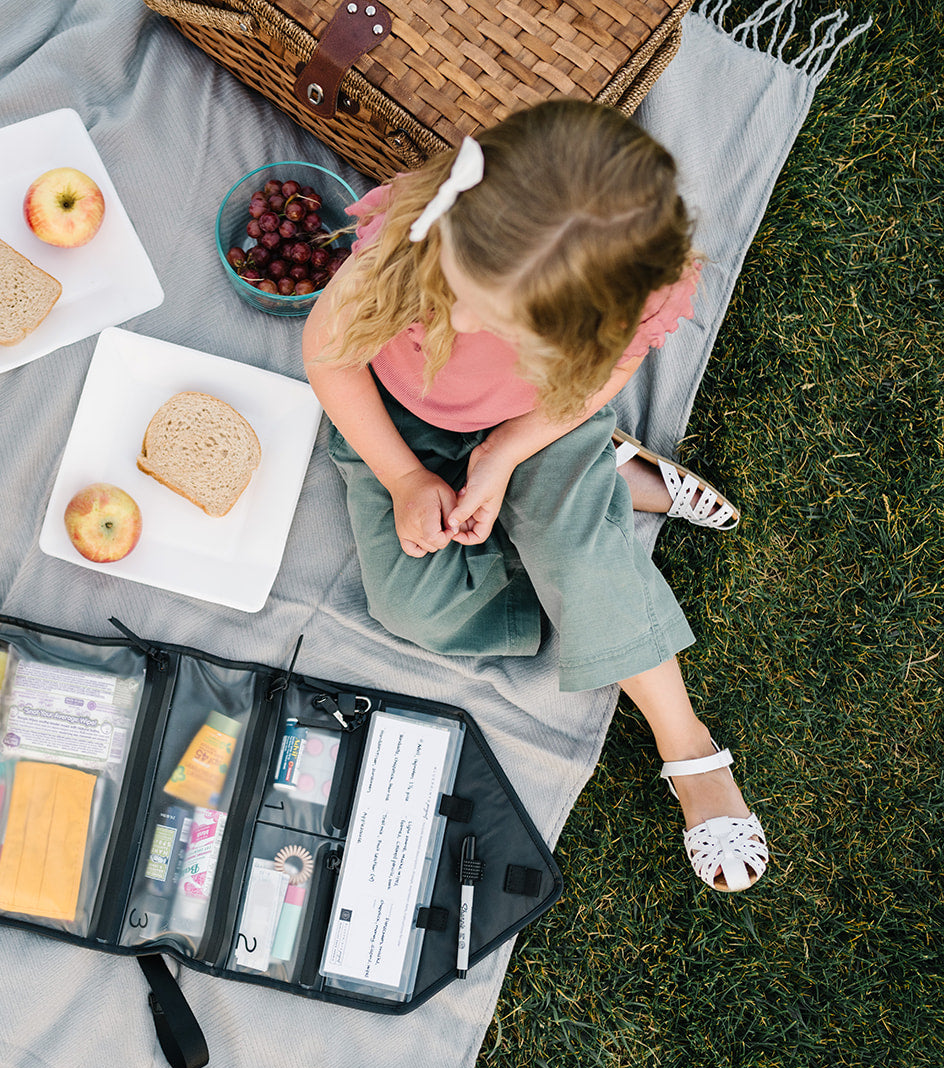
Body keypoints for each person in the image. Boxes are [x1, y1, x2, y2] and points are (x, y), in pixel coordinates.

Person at [303, 100, 769, 900]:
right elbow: (329, 355)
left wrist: (505, 451)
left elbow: (596, 379)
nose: (462, 320)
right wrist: (405, 478)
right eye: (461, 293)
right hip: (400, 426)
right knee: (418, 606)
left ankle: (688, 745)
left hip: (537, 426)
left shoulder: (636, 287)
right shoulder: (407, 240)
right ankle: (602, 505)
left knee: (582, 560)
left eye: (500, 324)